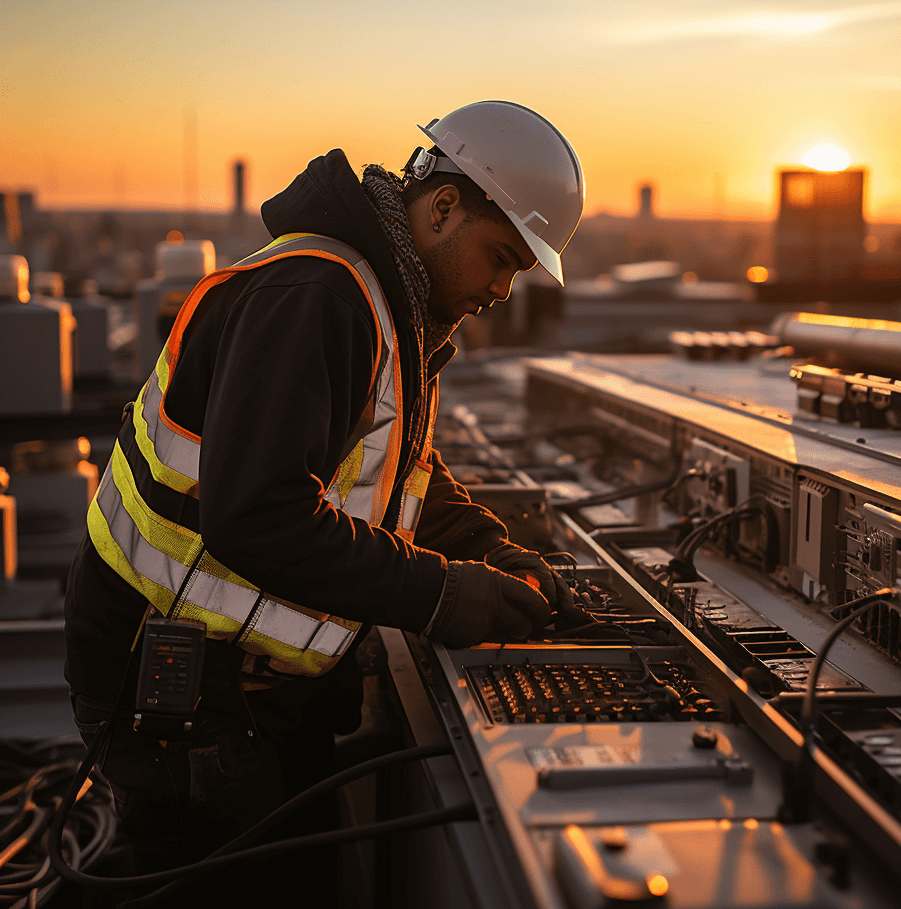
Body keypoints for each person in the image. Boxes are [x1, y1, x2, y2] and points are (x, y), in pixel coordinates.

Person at [63, 101, 585, 905]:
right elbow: (260, 516)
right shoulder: (320, 294)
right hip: (177, 684)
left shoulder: (382, 302)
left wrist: (489, 548)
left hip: (242, 685)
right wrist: (446, 595)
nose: (501, 290)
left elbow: (396, 470)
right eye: (500, 256)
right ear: (443, 207)